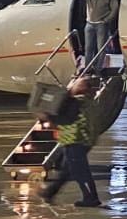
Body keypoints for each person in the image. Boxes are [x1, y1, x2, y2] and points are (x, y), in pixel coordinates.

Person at [40, 77, 102, 207]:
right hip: (81, 140)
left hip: (75, 140)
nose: (72, 86)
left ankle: (91, 198)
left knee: (80, 172)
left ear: (81, 88)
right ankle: (49, 192)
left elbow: (66, 120)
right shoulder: (87, 102)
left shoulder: (76, 102)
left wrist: (49, 117)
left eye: (76, 84)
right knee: (67, 170)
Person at [82, 0, 118, 72]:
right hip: (89, 24)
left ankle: (99, 68)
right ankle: (88, 68)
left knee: (101, 48)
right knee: (88, 47)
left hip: (101, 25)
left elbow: (114, 9)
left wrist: (106, 20)